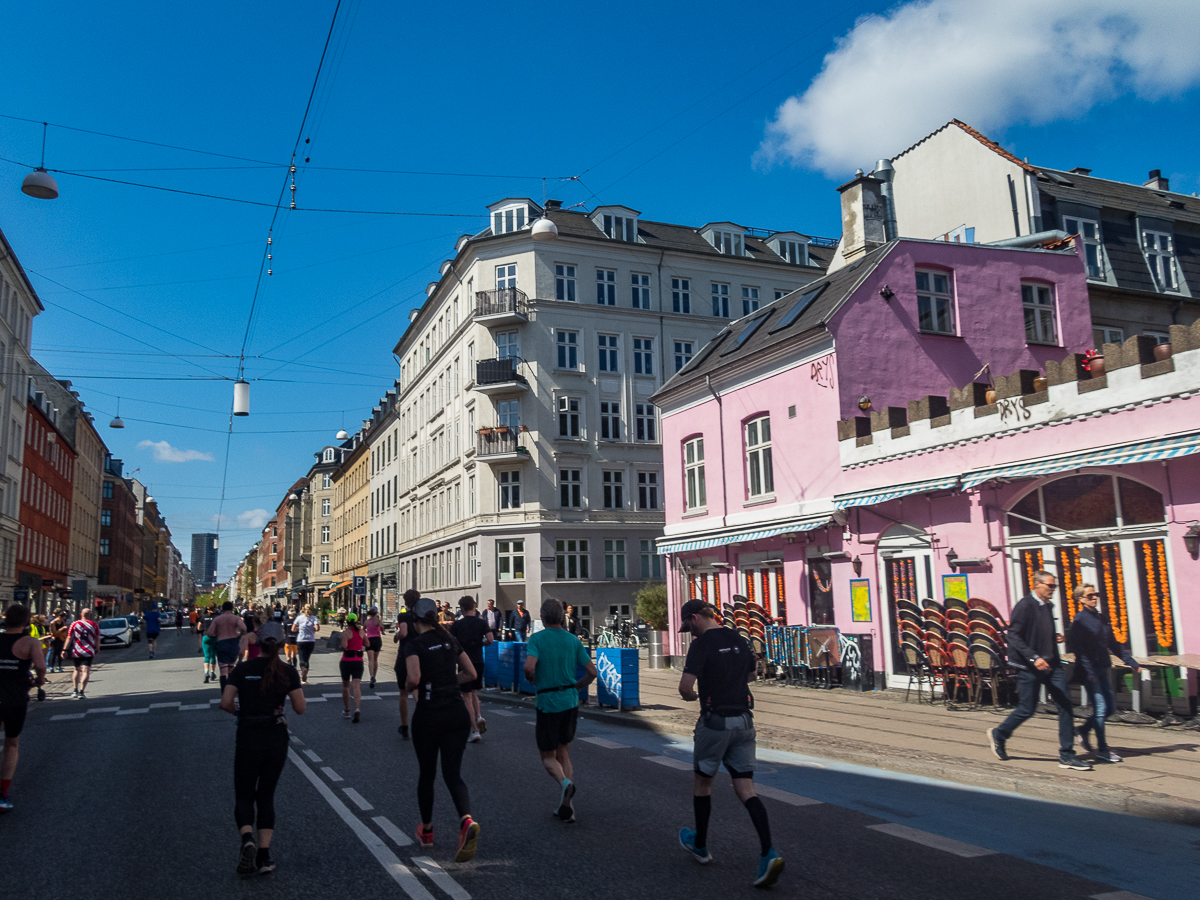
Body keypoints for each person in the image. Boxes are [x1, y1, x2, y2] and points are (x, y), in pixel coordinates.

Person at [677, 599, 783, 887]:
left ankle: (700, 845)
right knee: (747, 789)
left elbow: (685, 687)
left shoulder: (701, 645)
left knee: (703, 784)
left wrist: (693, 697)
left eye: (688, 625)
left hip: (715, 723)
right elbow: (751, 674)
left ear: (696, 618)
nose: (689, 632)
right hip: (744, 721)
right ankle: (768, 853)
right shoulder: (739, 638)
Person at [221, 622, 305, 876]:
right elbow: (300, 708)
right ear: (280, 645)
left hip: (248, 734)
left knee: (244, 794)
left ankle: (247, 838)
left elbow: (225, 703)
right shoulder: (287, 671)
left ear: (257, 643)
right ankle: (265, 857)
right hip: (275, 735)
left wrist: (241, 710)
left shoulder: (243, 669)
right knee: (266, 796)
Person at [987, 571, 1091, 770]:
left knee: (1066, 706)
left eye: (1054, 586)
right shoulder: (1025, 606)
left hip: (1052, 665)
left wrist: (1056, 638)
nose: (1053, 590)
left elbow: (1041, 632)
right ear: (1036, 584)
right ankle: (999, 734)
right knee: (1027, 709)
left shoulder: (1048, 606)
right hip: (1029, 667)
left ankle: (1067, 755)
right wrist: (1034, 658)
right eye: (1050, 586)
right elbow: (1014, 636)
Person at [404, 597, 480, 862]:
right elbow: (470, 674)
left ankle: (426, 831)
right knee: (453, 774)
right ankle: (466, 820)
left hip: (429, 715)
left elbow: (413, 678)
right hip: (457, 714)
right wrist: (448, 681)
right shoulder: (449, 640)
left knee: (427, 774)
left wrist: (414, 687)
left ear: (416, 621)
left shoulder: (414, 645)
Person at [523, 599, 597, 824]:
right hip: (570, 701)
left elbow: (528, 666)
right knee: (563, 752)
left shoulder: (537, 639)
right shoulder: (573, 640)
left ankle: (565, 784)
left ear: (543, 618)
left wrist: (532, 678)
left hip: (548, 702)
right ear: (562, 617)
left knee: (547, 756)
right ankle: (569, 808)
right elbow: (592, 671)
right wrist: (578, 686)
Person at [1068, 583, 1140, 764]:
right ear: (1081, 599)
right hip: (1089, 671)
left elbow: (1113, 644)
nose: (1094, 598)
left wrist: (1130, 662)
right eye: (1090, 595)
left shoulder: (1101, 618)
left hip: (1102, 668)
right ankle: (1103, 750)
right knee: (1100, 708)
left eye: (1095, 594)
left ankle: (1084, 730)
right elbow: (1079, 650)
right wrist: (1089, 671)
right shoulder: (1079, 621)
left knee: (1110, 708)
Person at [1, 605, 47, 811]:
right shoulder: (29, 642)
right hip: (15, 698)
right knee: (11, 744)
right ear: (26, 622)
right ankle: (2, 795)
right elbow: (40, 666)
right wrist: (39, 681)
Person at [450, 596, 493, 742]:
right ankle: (479, 716)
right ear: (474, 607)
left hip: (464, 663)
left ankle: (474, 730)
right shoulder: (482, 623)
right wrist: (480, 643)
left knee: (466, 695)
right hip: (479, 661)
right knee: (473, 691)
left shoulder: (457, 625)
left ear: (462, 609)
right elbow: (490, 639)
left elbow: (450, 642)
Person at [393, 589, 420, 739]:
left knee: (403, 692)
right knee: (417, 688)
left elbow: (403, 632)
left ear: (405, 602)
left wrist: (396, 637)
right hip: (421, 655)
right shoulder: (421, 616)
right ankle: (424, 719)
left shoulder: (404, 615)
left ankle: (404, 726)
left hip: (405, 655)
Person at [207, 601, 248, 691]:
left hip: (221, 642)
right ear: (232, 608)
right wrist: (240, 635)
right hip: (233, 641)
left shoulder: (217, 619)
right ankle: (230, 693)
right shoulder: (236, 618)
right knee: (231, 668)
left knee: (223, 670)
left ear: (222, 609)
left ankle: (223, 694)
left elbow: (209, 633)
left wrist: (217, 632)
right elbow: (244, 628)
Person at [65, 609, 100, 699]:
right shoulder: (94, 625)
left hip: (77, 650)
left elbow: (69, 637)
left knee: (76, 670)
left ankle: (75, 690)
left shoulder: (74, 624)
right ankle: (81, 692)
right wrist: (97, 647)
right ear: (90, 615)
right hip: (88, 650)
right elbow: (97, 638)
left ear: (81, 614)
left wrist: (64, 649)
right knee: (86, 671)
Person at [340, 613, 364, 723]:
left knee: (346, 686)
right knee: (356, 686)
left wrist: (340, 645)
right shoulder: (361, 632)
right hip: (358, 661)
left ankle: (347, 710)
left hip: (346, 661)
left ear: (347, 622)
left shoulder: (346, 633)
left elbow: (344, 646)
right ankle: (357, 708)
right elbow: (367, 643)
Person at [291, 605, 320, 685]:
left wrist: (299, 628)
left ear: (303, 609)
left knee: (301, 658)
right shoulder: (314, 618)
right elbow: (317, 628)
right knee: (307, 658)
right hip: (310, 640)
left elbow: (293, 629)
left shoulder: (299, 617)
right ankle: (305, 676)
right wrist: (312, 629)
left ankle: (303, 669)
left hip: (300, 640)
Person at [363, 607, 383, 689]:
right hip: (377, 640)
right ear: (376, 612)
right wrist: (383, 631)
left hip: (369, 640)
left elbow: (363, 629)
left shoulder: (367, 622)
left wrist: (366, 632)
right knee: (375, 659)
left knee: (370, 659)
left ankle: (371, 676)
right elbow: (382, 628)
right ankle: (374, 676)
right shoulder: (378, 621)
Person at [202, 607, 219, 684]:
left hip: (206, 636)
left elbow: (198, 627)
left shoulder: (204, 617)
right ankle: (212, 673)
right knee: (213, 656)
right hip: (214, 637)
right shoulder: (217, 617)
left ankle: (206, 673)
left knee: (207, 656)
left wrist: (204, 629)